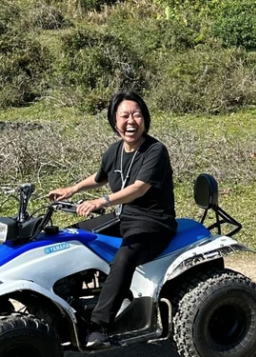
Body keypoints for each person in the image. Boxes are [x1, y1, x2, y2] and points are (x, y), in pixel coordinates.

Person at [48, 91, 177, 349]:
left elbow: (139, 188)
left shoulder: (155, 151)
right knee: (73, 237)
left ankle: (99, 326)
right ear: (114, 122)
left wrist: (102, 201)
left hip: (153, 223)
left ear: (145, 119)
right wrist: (71, 190)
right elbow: (100, 178)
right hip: (123, 216)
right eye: (125, 116)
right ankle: (65, 302)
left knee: (125, 257)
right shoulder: (115, 150)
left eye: (137, 115)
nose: (132, 121)